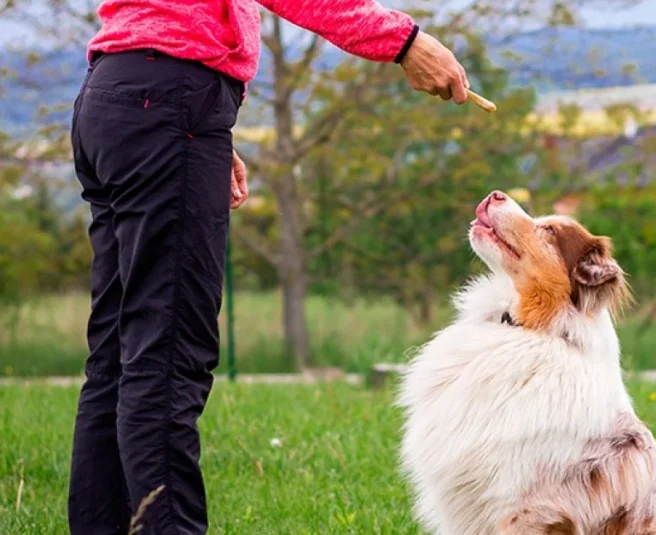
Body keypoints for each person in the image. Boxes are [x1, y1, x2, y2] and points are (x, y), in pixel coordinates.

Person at [67, 1, 469, 533]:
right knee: (164, 362)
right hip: (165, 103)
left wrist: (204, 133)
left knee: (117, 358)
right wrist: (405, 41)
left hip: (113, 98)